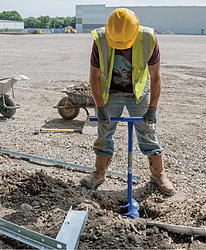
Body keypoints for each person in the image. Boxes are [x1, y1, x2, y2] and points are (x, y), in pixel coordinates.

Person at [80, 8, 175, 196]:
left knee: (148, 131)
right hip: (111, 92)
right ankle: (99, 173)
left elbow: (156, 77)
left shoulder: (148, 39)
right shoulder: (100, 40)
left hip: (137, 92)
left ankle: (159, 174)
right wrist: (100, 108)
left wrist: (152, 108)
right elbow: (94, 77)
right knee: (104, 131)